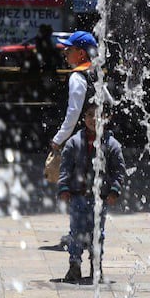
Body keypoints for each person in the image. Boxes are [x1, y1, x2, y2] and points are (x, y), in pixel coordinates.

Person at [58, 101, 126, 282]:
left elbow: (119, 171)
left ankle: (97, 265)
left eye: (99, 115)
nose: (93, 119)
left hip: (100, 198)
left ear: (107, 118)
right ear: (83, 117)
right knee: (76, 231)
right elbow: (65, 168)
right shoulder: (73, 143)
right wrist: (64, 187)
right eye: (89, 115)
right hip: (77, 196)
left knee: (97, 232)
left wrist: (114, 190)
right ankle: (74, 264)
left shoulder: (112, 145)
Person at [49, 30, 98, 247]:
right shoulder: (96, 72)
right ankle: (91, 232)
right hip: (95, 139)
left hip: (79, 141)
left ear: (80, 53)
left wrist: (58, 139)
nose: (65, 53)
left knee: (76, 188)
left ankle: (77, 234)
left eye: (68, 49)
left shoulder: (78, 77)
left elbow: (73, 113)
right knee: (90, 187)